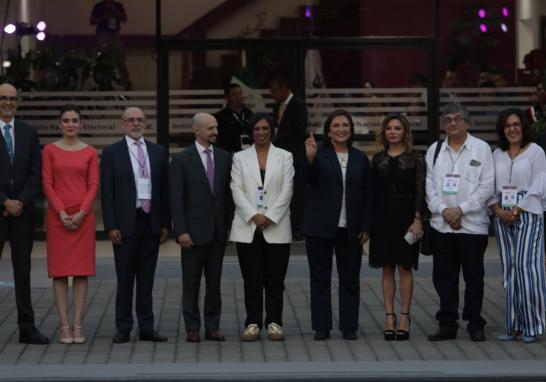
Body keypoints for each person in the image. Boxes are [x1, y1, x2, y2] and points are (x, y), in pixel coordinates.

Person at [101, 107, 170, 344]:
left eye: (140, 119)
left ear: (146, 123)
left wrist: (164, 223)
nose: (136, 123)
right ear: (122, 124)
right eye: (131, 120)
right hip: (125, 224)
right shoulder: (112, 153)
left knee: (147, 279)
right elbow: (107, 193)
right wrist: (110, 225)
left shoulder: (158, 151)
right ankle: (123, 327)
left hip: (150, 222)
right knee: (125, 279)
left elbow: (164, 190)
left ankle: (147, 328)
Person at [426, 102, 494, 342]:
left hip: (473, 225)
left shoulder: (481, 149)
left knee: (474, 277)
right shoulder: (434, 150)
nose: (452, 123)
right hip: (442, 226)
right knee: (444, 277)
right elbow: (430, 187)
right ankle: (447, 324)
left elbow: (487, 186)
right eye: (448, 120)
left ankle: (475, 323)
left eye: (457, 119)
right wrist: (445, 211)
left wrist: (461, 211)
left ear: (467, 122)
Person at [303, 109, 373, 341]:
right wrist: (310, 159)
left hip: (351, 227)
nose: (341, 129)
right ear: (328, 131)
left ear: (351, 130)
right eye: (336, 126)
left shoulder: (360, 157)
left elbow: (368, 194)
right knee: (320, 278)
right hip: (320, 227)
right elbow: (305, 181)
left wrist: (365, 225)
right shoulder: (318, 153)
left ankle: (349, 326)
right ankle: (322, 327)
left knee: (350, 278)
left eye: (345, 125)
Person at [229, 113, 294, 342]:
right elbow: (236, 189)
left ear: (271, 130)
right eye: (256, 129)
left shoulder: (285, 157)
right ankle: (253, 323)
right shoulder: (239, 158)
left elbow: (287, 191)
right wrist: (254, 216)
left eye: (265, 128)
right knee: (252, 278)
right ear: (250, 131)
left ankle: (275, 322)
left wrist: (269, 217)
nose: (261, 133)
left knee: (275, 279)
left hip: (276, 226)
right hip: (248, 227)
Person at [170, 112, 233, 343]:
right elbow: (176, 199)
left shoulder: (225, 157)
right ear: (196, 130)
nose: (215, 132)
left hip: (217, 233)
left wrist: (227, 227)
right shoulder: (181, 160)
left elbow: (227, 196)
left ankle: (213, 326)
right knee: (191, 282)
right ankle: (192, 327)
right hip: (192, 234)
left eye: (216, 127)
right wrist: (181, 231)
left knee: (214, 283)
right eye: (210, 128)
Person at [488, 108, 546, 343]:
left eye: (516, 124)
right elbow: (489, 185)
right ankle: (514, 325)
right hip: (502, 214)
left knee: (527, 269)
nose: (512, 129)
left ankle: (532, 325)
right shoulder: (497, 154)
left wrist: (518, 209)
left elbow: (540, 185)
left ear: (523, 127)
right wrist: (498, 210)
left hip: (528, 212)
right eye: (507, 125)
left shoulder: (536, 152)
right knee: (510, 270)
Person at [42, 105, 99, 344]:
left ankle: (78, 324)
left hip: (83, 219)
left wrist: (82, 213)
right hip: (58, 219)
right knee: (60, 273)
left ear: (81, 124)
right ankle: (64, 326)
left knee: (82, 273)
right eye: (66, 120)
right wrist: (62, 212)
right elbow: (47, 183)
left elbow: (94, 185)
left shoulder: (90, 152)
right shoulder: (49, 150)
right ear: (60, 124)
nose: (71, 124)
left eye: (75, 120)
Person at [368, 113, 425, 341]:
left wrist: (418, 219)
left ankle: (404, 317)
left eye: (397, 128)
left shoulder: (416, 158)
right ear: (384, 132)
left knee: (405, 267)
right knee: (387, 268)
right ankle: (389, 317)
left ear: (405, 132)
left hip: (407, 218)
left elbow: (421, 191)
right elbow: (372, 193)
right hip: (382, 219)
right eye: (389, 128)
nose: (392, 132)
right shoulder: (378, 159)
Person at [0, 83, 49, 344]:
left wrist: (19, 201)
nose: (8, 102)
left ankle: (27, 327)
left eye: (12, 98)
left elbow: (36, 173)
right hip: (1, 209)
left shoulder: (29, 132)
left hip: (22, 212)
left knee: (23, 270)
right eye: (3, 98)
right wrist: (4, 201)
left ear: (17, 102)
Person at [270, 76, 307, 239]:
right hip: (279, 156)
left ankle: (297, 227)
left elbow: (299, 131)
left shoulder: (298, 105)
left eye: (275, 91)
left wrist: (278, 137)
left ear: (284, 88)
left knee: (296, 193)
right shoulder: (277, 105)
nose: (273, 94)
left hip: (295, 156)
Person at [90, 0, 131, 89]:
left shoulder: (118, 5)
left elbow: (124, 19)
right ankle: (104, 85)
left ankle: (126, 84)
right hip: (102, 35)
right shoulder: (99, 6)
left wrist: (114, 10)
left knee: (121, 62)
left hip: (115, 35)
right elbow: (92, 21)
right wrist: (104, 17)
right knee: (103, 62)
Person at [214, 83, 253, 154]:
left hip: (249, 155)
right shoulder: (220, 117)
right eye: (234, 94)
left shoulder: (249, 114)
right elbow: (215, 141)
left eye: (240, 93)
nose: (238, 96)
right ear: (227, 98)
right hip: (229, 156)